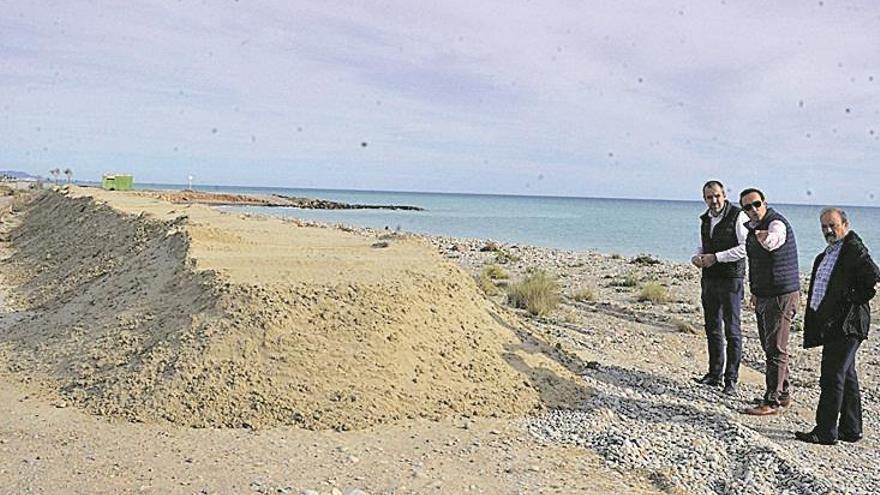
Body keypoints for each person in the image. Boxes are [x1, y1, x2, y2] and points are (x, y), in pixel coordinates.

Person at [795, 207, 880, 444]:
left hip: (848, 325)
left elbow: (872, 276)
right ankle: (851, 429)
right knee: (847, 374)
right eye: (824, 226)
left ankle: (825, 432)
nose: (828, 230)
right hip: (835, 325)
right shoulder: (830, 251)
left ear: (845, 224)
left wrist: (851, 298)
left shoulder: (853, 248)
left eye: (833, 225)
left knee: (832, 376)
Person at [739, 188, 800, 416]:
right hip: (765, 294)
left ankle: (772, 401)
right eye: (747, 207)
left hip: (780, 295)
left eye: (756, 204)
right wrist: (755, 291)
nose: (753, 210)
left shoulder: (776, 223)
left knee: (776, 349)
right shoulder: (752, 229)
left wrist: (767, 240)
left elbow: (776, 240)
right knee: (769, 346)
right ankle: (782, 394)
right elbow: (756, 264)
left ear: (764, 202)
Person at [690, 180, 748, 395]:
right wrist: (698, 256)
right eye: (708, 197)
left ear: (724, 195)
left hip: (731, 278)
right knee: (712, 327)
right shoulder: (705, 219)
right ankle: (714, 375)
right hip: (709, 278)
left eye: (716, 196)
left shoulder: (738, 215)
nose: (713, 201)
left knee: (732, 330)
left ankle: (730, 380)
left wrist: (718, 258)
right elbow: (702, 243)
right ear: (704, 198)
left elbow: (745, 247)